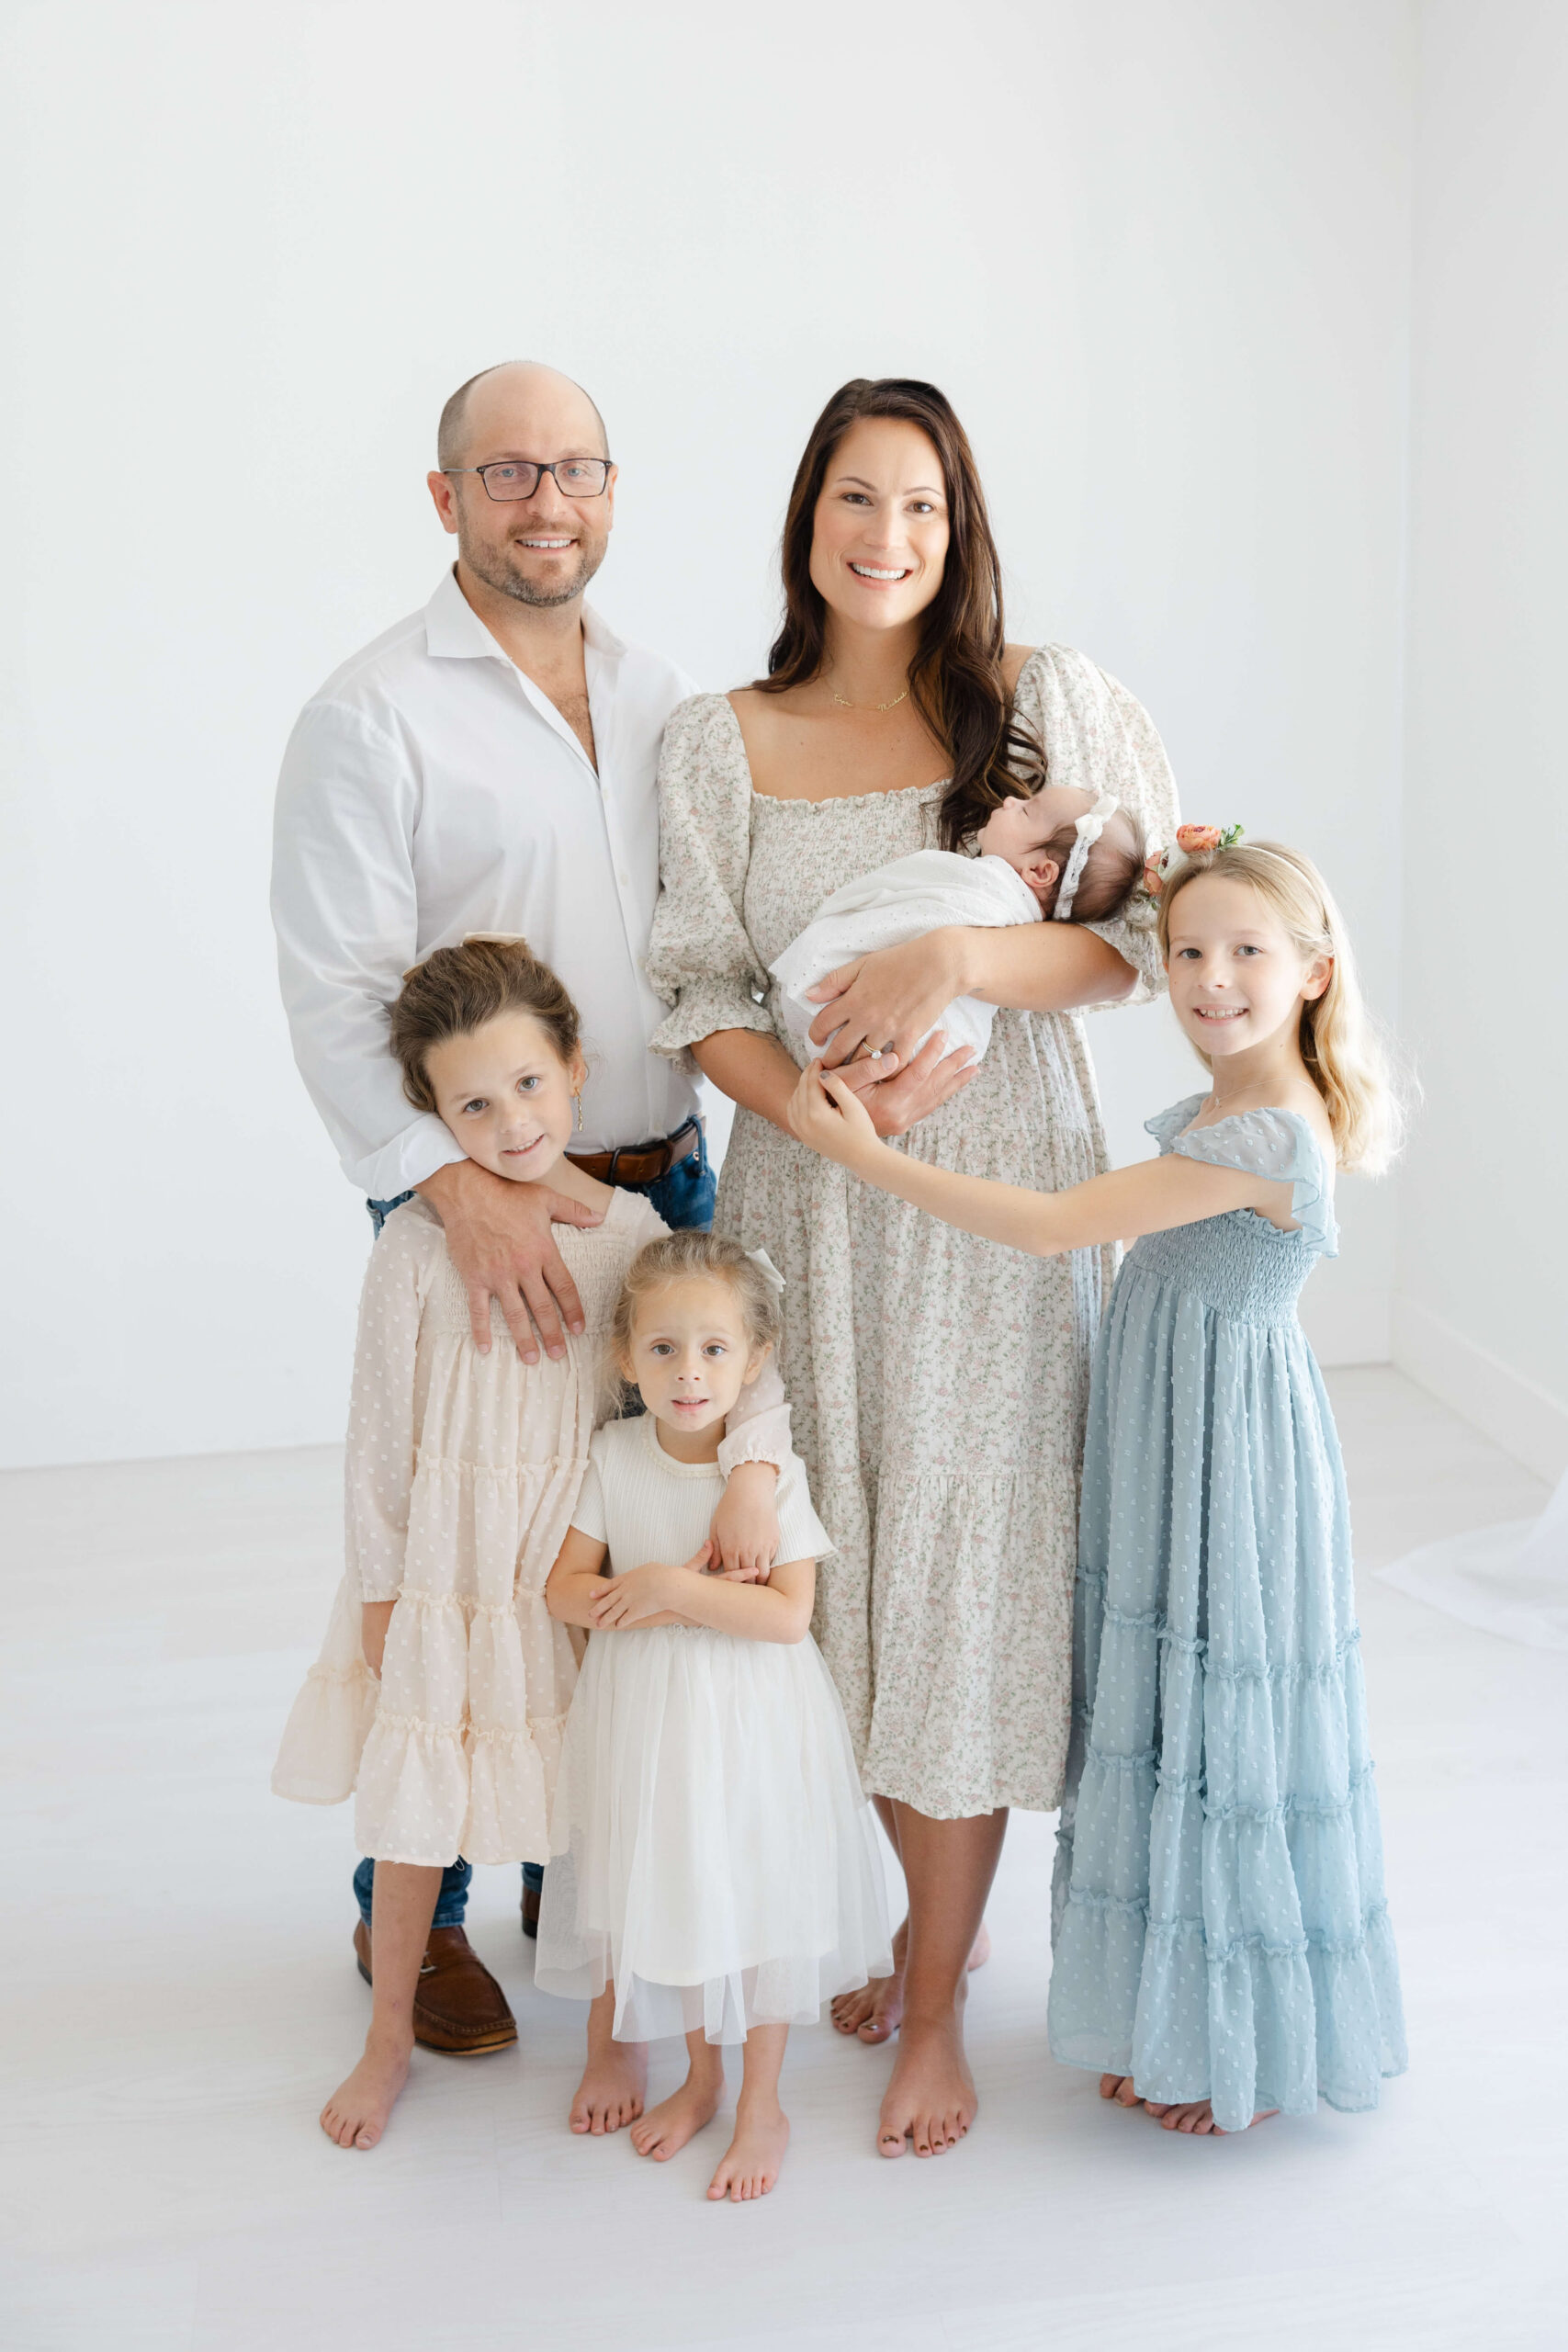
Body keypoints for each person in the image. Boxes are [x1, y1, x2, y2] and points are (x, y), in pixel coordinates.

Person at [645, 376, 1179, 2159]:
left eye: (923, 509)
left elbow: (1126, 944)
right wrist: (793, 1092)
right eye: (855, 501)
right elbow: (696, 982)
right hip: (808, 1208)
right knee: (839, 1579)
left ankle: (938, 1999)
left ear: (960, 532)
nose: (886, 539)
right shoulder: (719, 736)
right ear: (805, 517)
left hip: (993, 1218)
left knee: (968, 1576)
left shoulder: (1040, 705)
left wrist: (955, 950)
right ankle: (882, 1927)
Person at [271, 361, 782, 2049]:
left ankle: (588, 1877)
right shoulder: (372, 713)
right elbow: (341, 992)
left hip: (663, 1189)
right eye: (506, 473)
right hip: (481, 1212)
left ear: (614, 489)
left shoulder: (661, 697)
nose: (545, 503)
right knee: (469, 1565)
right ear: (444, 499)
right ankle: (414, 1919)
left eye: (574, 470)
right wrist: (446, 1192)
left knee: (622, 1551)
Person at [787, 832, 1408, 2136]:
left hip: (1221, 1449)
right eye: (1186, 950)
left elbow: (1052, 1225)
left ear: (1311, 972)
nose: (1208, 978)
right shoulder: (1237, 1104)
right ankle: (1160, 2009)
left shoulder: (1266, 1133)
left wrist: (865, 1160)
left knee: (1210, 1721)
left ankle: (1220, 2046)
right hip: (1172, 1425)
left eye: (1246, 952)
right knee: (1163, 1711)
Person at [274, 940, 797, 2151]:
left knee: (592, 1807)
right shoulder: (418, 1246)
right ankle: (386, 2036)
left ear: (574, 1070)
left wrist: (757, 1477)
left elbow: (739, 1363)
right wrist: (379, 1589)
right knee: (415, 1811)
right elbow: (375, 1437)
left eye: (526, 1086)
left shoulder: (629, 1240)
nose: (507, 1122)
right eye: (469, 1103)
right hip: (447, 1575)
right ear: (431, 1114)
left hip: (568, 1577)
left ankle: (613, 2030)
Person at [539, 1232, 892, 2202]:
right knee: (684, 1891)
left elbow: (783, 1616)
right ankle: (700, 2077)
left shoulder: (774, 1481)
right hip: (649, 1729)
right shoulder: (614, 1455)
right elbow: (562, 1588)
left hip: (750, 1727)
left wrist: (661, 1587)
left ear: (755, 1359)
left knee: (756, 1902)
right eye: (662, 1349)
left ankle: (762, 2104)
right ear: (626, 1358)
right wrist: (637, 1595)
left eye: (712, 1349)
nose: (687, 1372)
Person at [770, 780, 1145, 1065]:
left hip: (907, 1039)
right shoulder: (999, 897)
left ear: (1040, 871)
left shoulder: (992, 892)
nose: (1011, 799)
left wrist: (951, 954)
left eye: (1027, 811)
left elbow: (1132, 963)